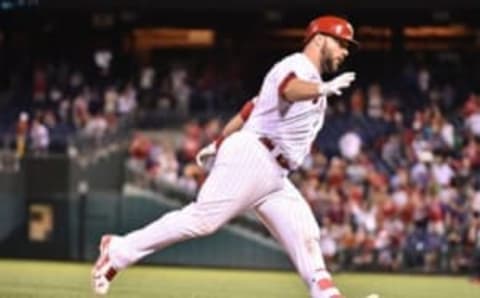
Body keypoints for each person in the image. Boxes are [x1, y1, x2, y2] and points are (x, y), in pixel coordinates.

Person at [92, 15, 358, 298]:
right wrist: (320, 89)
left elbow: (250, 109)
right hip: (256, 155)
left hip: (274, 174)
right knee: (202, 220)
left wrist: (219, 142)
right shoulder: (297, 66)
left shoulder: (313, 79)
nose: (344, 51)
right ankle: (118, 250)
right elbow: (289, 89)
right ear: (319, 39)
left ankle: (327, 294)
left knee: (306, 234)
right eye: (341, 43)